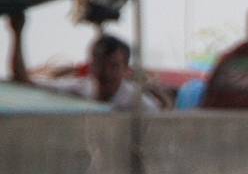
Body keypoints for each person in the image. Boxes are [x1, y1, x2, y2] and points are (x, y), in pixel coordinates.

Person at [7, 12, 156, 110]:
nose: (106, 73)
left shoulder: (140, 104)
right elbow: (23, 82)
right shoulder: (80, 90)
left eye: (114, 66)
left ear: (126, 69)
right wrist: (17, 33)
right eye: (100, 65)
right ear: (90, 66)